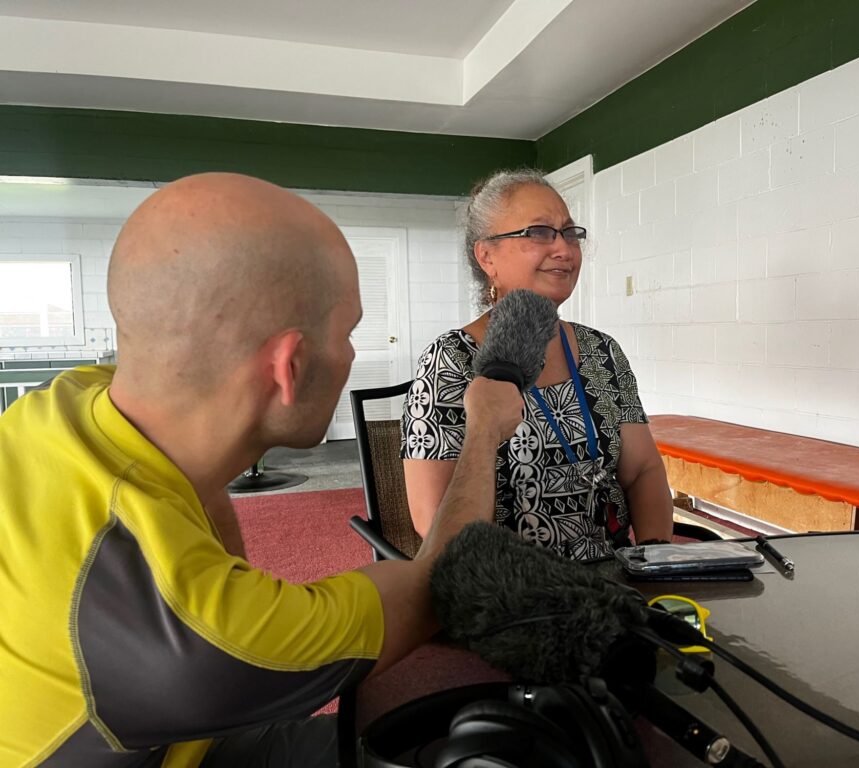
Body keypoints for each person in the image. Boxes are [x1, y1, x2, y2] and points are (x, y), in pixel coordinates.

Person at [0, 173, 524, 768]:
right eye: (349, 332)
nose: (352, 353)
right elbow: (438, 586)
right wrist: (483, 431)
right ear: (289, 366)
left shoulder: (60, 403)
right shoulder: (201, 634)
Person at [401, 169, 674, 561]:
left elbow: (643, 470)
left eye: (569, 232)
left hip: (614, 583)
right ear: (487, 256)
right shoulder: (452, 360)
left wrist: (655, 562)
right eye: (539, 232)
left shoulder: (602, 350)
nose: (564, 249)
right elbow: (433, 521)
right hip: (512, 592)